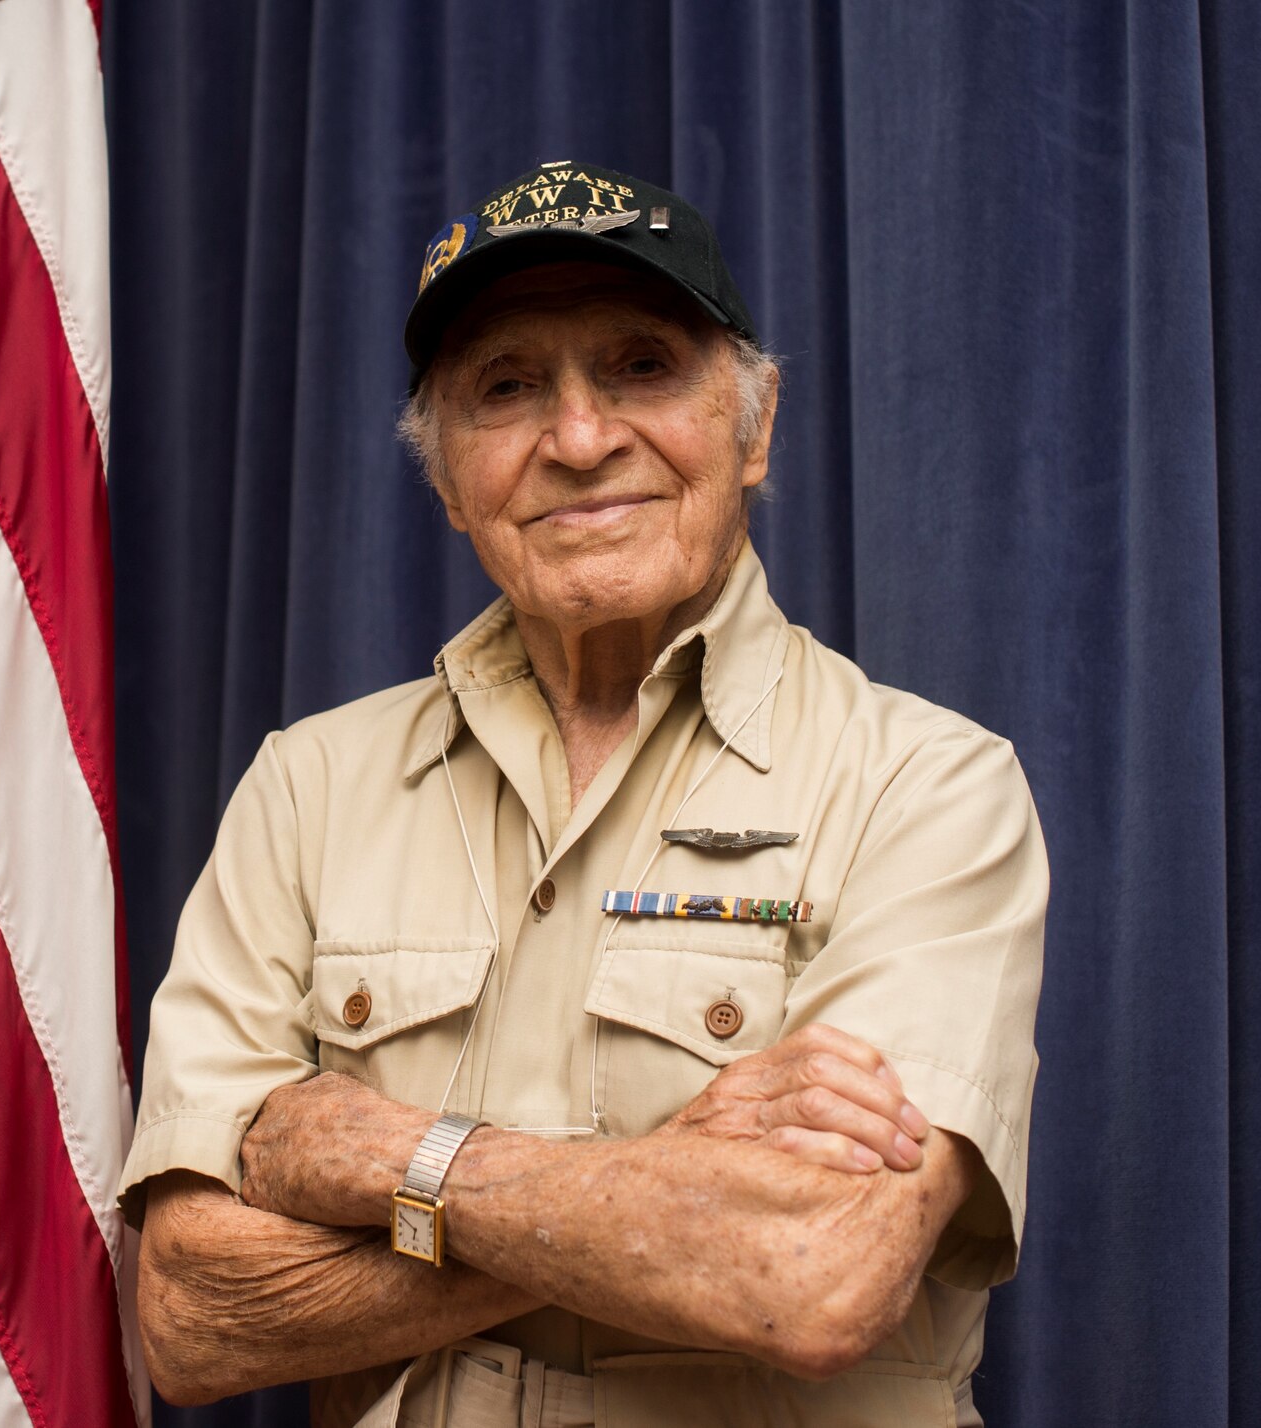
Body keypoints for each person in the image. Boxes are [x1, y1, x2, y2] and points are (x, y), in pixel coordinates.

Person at [120, 162, 1047, 1427]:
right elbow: (190, 1316)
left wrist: (387, 1157)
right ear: (447, 479)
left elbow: (811, 1275)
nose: (576, 437)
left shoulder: (929, 787)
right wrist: (666, 1189)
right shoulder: (308, 785)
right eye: (505, 388)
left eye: (641, 367)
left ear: (752, 427)